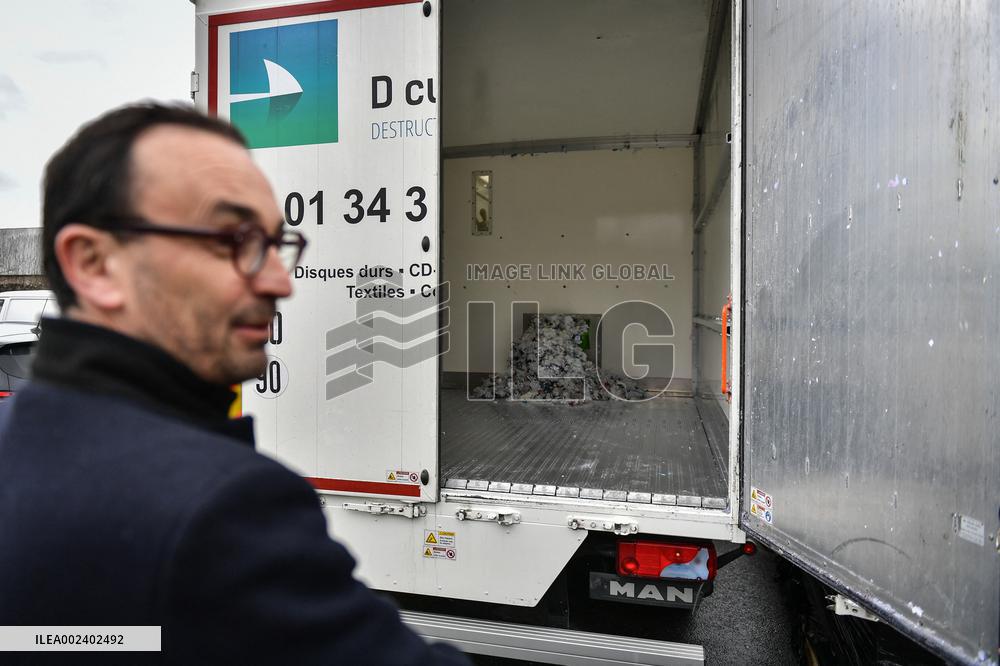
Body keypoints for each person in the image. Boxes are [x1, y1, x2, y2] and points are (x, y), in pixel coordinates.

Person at [0, 103, 468, 665]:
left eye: (276, 244)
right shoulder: (224, 507)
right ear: (94, 263)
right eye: (232, 241)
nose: (279, 282)